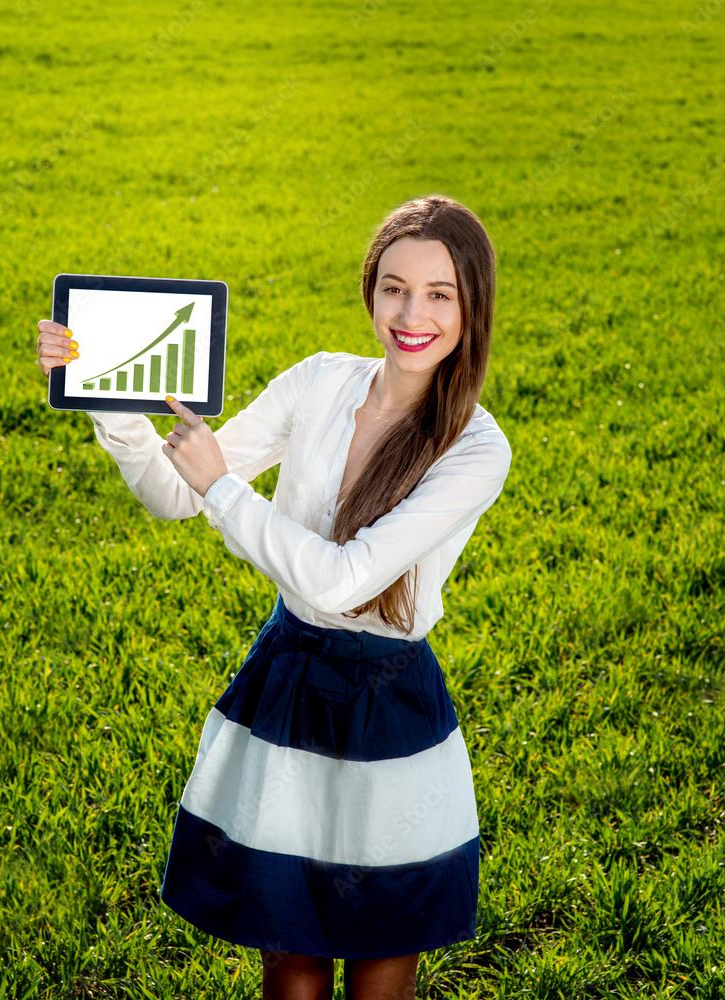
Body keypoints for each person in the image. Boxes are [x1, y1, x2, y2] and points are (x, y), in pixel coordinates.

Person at [35, 194, 513, 1000]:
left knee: (379, 968)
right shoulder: (320, 382)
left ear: (472, 306)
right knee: (289, 964)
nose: (411, 313)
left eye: (440, 294)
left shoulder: (476, 446)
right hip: (287, 681)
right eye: (393, 287)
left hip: (387, 708)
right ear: (369, 290)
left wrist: (223, 487)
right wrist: (105, 391)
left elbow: (339, 577)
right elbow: (175, 494)